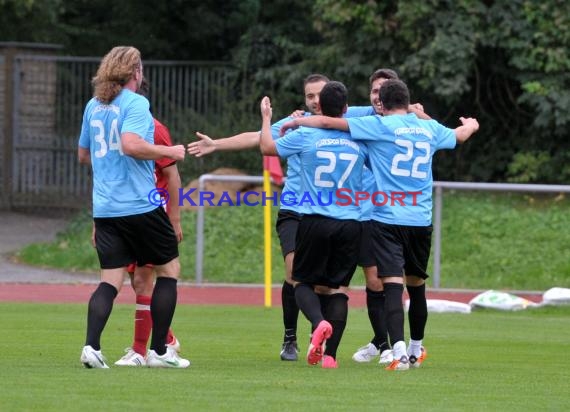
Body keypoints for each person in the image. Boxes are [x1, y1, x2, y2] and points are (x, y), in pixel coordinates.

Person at [280, 78, 479, 370]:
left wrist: (299, 124)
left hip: (387, 217)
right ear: (407, 100)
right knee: (418, 286)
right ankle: (416, 348)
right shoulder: (429, 128)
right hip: (420, 219)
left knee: (392, 286)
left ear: (382, 106)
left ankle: (397, 352)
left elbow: (337, 124)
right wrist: (471, 124)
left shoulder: (380, 126)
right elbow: (460, 135)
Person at [187, 74, 330, 361]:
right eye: (309, 96)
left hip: (329, 212)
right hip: (294, 210)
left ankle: (322, 338)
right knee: (293, 273)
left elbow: (380, 114)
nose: (315, 101)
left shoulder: (348, 121)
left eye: (320, 95)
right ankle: (291, 338)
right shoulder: (295, 124)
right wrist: (217, 144)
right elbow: (256, 137)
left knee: (323, 284)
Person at [77, 46, 189, 368]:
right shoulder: (136, 103)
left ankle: (92, 348)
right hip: (139, 205)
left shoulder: (93, 105)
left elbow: (84, 155)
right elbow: (130, 145)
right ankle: (159, 352)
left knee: (109, 281)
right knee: (169, 271)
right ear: (136, 73)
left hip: (105, 209)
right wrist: (170, 151)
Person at [260, 81, 368, 368]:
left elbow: (266, 146)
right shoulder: (360, 136)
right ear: (346, 109)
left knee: (301, 281)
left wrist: (267, 119)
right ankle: (330, 357)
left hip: (315, 219)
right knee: (338, 291)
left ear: (319, 106)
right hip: (351, 224)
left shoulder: (305, 134)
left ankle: (318, 323)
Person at [113, 77, 183, 367]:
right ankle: (166, 338)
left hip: (149, 215)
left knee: (143, 280)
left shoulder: (155, 130)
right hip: (123, 214)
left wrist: (174, 219)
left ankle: (141, 351)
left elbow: (172, 176)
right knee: (137, 282)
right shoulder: (117, 131)